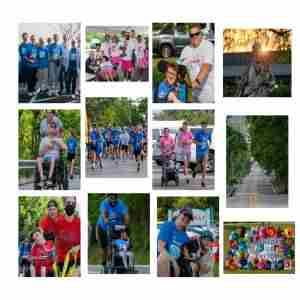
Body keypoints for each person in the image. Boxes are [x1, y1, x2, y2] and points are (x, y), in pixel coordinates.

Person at [179, 24, 214, 102]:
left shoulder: (208, 46)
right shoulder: (186, 49)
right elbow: (181, 68)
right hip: (192, 93)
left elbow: (206, 67)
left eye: (196, 34)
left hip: (207, 93)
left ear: (201, 34)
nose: (194, 36)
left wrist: (195, 83)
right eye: (192, 35)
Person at [96, 194, 129, 273]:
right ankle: (104, 265)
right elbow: (104, 215)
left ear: (117, 198)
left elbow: (126, 216)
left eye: (115, 198)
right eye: (111, 198)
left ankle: (120, 262)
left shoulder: (121, 204)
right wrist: (106, 220)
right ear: (108, 198)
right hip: (103, 228)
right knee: (105, 249)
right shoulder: (104, 203)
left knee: (121, 243)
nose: (113, 200)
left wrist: (125, 227)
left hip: (117, 227)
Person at [157, 208, 193, 277]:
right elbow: (160, 248)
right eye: (184, 215)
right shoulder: (168, 225)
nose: (186, 218)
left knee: (193, 266)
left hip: (178, 261)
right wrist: (173, 262)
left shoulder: (185, 236)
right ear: (178, 215)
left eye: (189, 218)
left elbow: (186, 255)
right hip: (165, 258)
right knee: (163, 258)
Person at [53, 197, 80, 277]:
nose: (70, 205)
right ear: (64, 204)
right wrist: (55, 256)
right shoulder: (57, 222)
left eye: (73, 203)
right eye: (68, 203)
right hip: (62, 259)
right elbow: (55, 240)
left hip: (77, 259)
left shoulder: (79, 222)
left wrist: (78, 247)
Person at [36, 122, 67, 186]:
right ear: (48, 129)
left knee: (52, 158)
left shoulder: (58, 139)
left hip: (55, 158)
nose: (52, 129)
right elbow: (40, 153)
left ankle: (49, 179)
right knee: (38, 159)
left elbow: (65, 148)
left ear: (55, 130)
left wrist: (58, 142)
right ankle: (42, 178)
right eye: (50, 127)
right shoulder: (44, 140)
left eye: (53, 128)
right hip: (45, 157)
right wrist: (46, 148)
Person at [193, 121, 212, 188]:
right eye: (203, 126)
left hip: (205, 151)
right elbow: (193, 141)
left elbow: (210, 140)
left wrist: (209, 145)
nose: (204, 127)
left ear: (206, 126)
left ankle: (203, 181)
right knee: (198, 166)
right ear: (201, 126)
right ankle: (195, 171)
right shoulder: (198, 133)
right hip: (199, 152)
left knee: (204, 165)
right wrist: (199, 143)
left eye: (205, 126)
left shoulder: (208, 132)